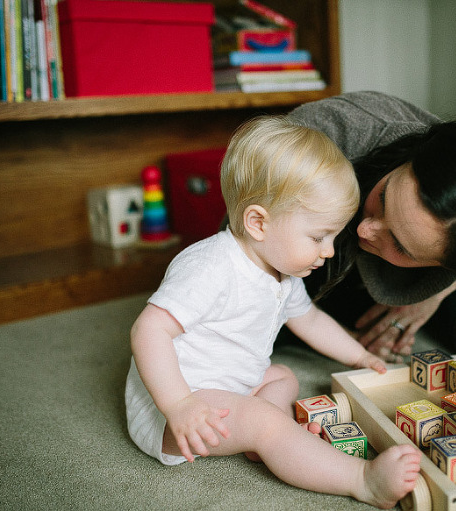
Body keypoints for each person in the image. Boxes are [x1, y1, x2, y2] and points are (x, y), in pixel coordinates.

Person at [125, 115, 422, 509]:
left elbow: (310, 320)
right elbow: (148, 330)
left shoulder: (282, 273)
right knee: (265, 423)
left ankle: (266, 432)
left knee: (283, 375)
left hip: (228, 385)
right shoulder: (210, 266)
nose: (329, 251)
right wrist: (179, 405)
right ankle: (362, 480)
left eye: (334, 236)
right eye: (318, 236)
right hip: (177, 410)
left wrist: (358, 354)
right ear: (258, 223)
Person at [284, 91, 456, 375]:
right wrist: (348, 339)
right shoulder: (325, 132)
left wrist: (436, 293)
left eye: (401, 246)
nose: (364, 229)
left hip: (428, 273)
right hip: (311, 250)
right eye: (383, 197)